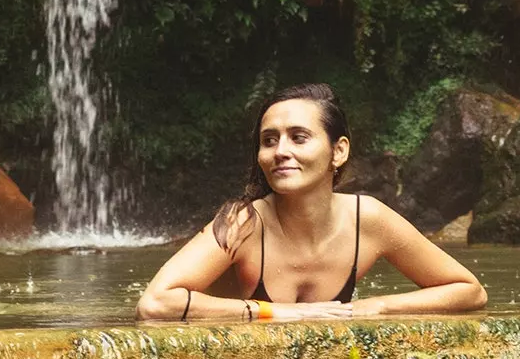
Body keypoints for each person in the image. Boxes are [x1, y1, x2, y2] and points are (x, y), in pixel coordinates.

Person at [137, 82, 486, 321]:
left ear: (339, 151)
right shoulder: (242, 222)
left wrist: (378, 306)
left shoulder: (369, 220)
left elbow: (470, 291)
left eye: (298, 138)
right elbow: (155, 303)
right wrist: (275, 312)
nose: (281, 151)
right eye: (269, 140)